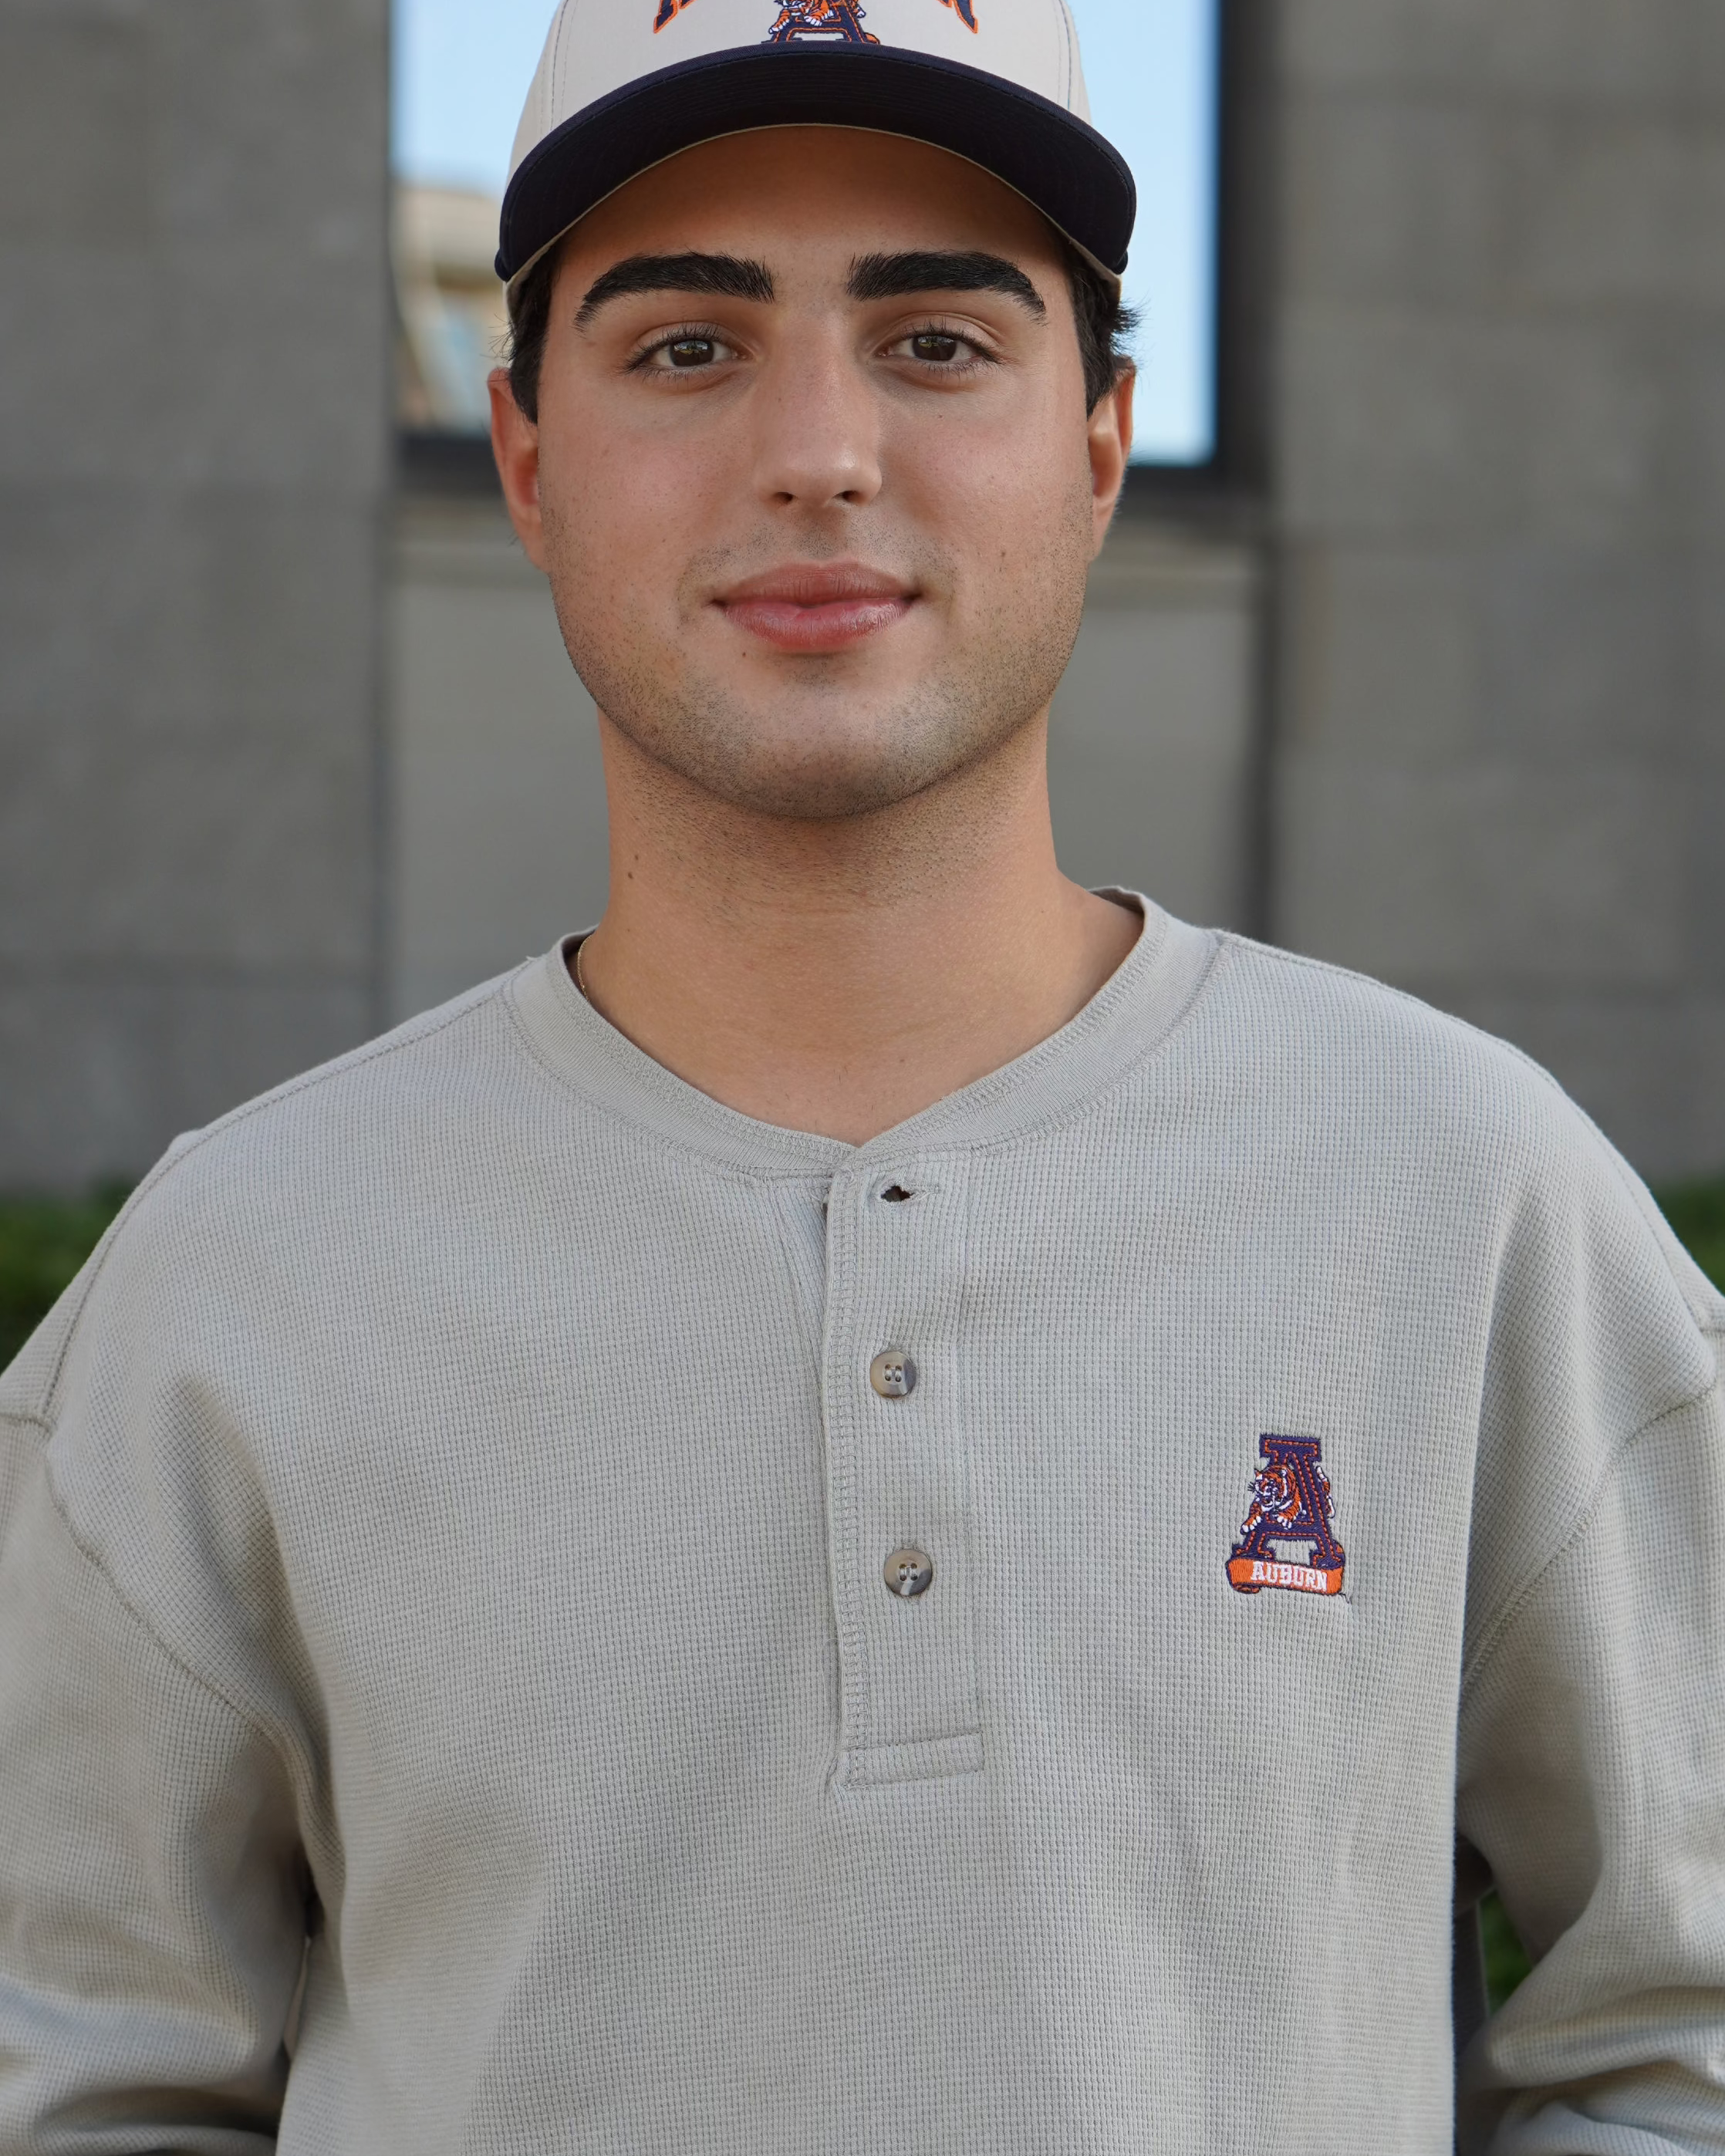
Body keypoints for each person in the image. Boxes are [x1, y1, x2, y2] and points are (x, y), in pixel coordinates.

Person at [2, 0, 1723, 2148]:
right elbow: (74, 2076)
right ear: (525, 455)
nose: (818, 449)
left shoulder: (1459, 1195)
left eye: (934, 339)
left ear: (1098, 443)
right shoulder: (240, 1268)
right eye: (686, 346)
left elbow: (1684, 2027)